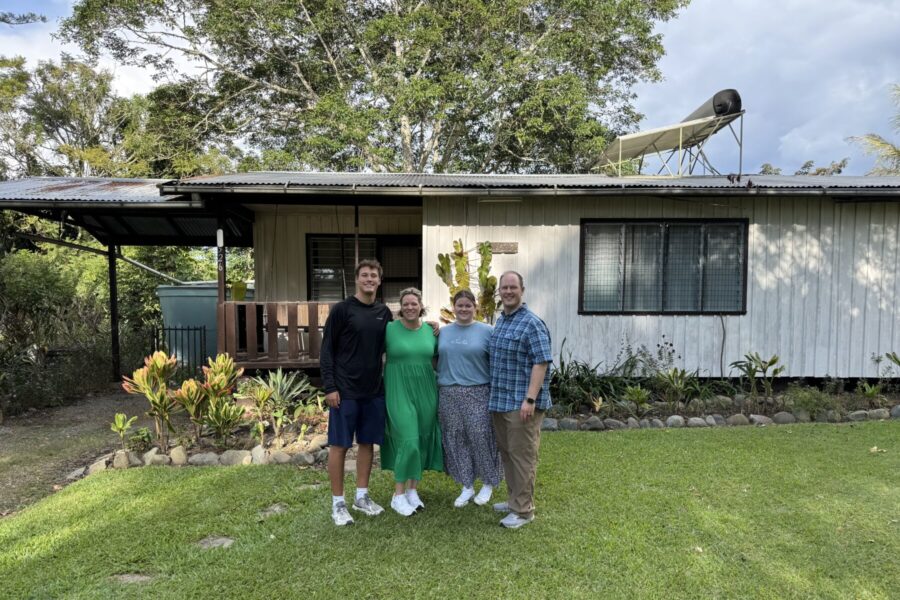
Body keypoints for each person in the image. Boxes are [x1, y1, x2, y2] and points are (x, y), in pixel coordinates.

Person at [321, 259, 392, 526]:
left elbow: (398, 340)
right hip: (344, 391)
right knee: (339, 445)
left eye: (374, 275)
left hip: (373, 390)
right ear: (357, 279)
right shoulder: (341, 310)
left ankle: (361, 497)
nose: (369, 279)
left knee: (367, 443)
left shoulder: (384, 312)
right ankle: (338, 503)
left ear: (379, 280)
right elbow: (327, 350)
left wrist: (430, 328)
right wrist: (330, 386)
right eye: (365, 275)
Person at [488, 271, 552, 529]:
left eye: (513, 287)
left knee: (523, 456)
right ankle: (514, 499)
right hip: (500, 401)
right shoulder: (502, 321)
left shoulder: (531, 323)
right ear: (499, 292)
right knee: (508, 454)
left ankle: (524, 510)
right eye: (504, 287)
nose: (508, 291)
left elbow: (542, 361)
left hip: (521, 403)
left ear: (522, 290)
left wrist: (530, 399)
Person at [380, 287, 443, 516]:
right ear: (400, 306)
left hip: (426, 391)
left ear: (420, 306)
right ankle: (398, 494)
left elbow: (437, 360)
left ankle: (412, 490)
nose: (409, 307)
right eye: (405, 303)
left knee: (422, 439)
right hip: (398, 390)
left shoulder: (431, 331)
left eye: (413, 303)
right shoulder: (388, 329)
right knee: (408, 439)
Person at [436, 289, 502, 508]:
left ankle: (488, 482)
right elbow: (434, 358)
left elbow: (497, 363)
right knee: (456, 438)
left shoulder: (488, 331)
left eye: (468, 305)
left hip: (478, 392)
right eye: (459, 305)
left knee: (481, 436)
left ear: (475, 308)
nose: (463, 309)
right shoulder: (442, 332)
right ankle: (466, 485)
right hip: (448, 393)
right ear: (453, 307)